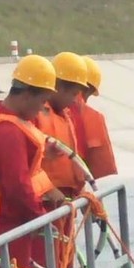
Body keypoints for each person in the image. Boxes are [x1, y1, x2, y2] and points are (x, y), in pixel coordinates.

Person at [0, 54, 66, 268]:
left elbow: (16, 166)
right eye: (42, 101)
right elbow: (16, 185)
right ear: (26, 95)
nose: (42, 108)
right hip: (6, 225)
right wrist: (40, 218)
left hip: (3, 221)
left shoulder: (4, 119)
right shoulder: (7, 132)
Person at [35, 51, 89, 200]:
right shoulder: (35, 114)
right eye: (73, 94)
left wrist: (83, 193)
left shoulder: (65, 116)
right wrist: (52, 193)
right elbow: (26, 165)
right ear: (58, 87)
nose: (74, 100)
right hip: (46, 201)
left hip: (66, 199)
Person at [72, 55, 118, 180]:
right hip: (76, 188)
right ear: (90, 90)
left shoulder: (39, 110)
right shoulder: (94, 118)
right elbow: (103, 171)